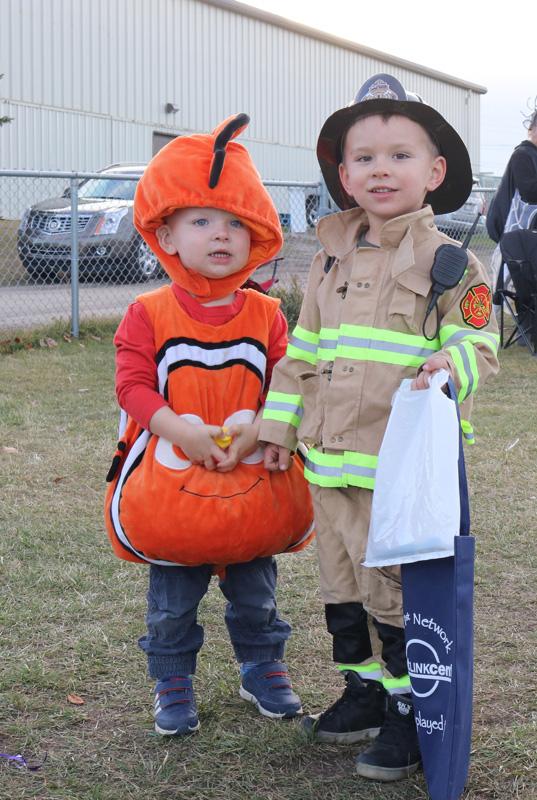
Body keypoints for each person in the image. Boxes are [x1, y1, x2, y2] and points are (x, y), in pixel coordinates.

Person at [259, 74, 500, 782]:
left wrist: (448, 369)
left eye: (399, 155)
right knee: (341, 589)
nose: (380, 169)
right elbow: (299, 351)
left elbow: (478, 343)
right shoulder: (325, 258)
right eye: (363, 157)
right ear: (342, 174)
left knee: (392, 595)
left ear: (434, 172)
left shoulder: (451, 262)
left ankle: (408, 715)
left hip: (399, 477)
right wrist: (279, 428)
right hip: (327, 468)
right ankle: (362, 691)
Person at [104, 113, 314, 736]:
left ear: (258, 236)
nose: (221, 235)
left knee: (258, 588)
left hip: (254, 476)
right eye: (201, 221)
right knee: (173, 599)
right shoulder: (147, 314)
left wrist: (262, 431)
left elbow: (288, 378)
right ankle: (172, 677)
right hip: (176, 483)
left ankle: (262, 665)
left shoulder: (269, 314)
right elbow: (133, 386)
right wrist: (181, 432)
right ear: (166, 236)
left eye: (234, 223)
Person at [487, 105, 537, 303]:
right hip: (514, 231)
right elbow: (529, 190)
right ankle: (523, 321)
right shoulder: (523, 155)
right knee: (519, 278)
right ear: (532, 128)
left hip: (529, 231)